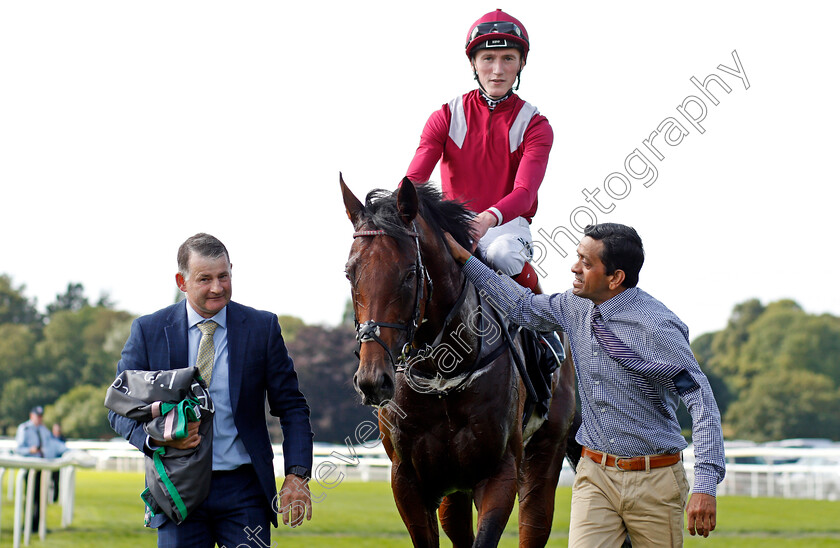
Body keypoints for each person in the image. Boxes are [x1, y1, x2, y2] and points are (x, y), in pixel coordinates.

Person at [444, 223, 725, 546]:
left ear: (615, 278)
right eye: (578, 257)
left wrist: (705, 483)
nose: (575, 267)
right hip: (594, 477)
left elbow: (701, 401)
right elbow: (522, 307)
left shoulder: (657, 327)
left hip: (656, 483)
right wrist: (466, 260)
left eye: (587, 263)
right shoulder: (573, 305)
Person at [108, 233, 314, 548]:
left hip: (245, 492)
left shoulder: (262, 328)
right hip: (178, 489)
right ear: (182, 281)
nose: (217, 287)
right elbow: (118, 407)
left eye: (223, 276)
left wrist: (297, 473)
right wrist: (154, 439)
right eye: (205, 279)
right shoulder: (148, 331)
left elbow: (292, 408)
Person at [15, 406, 52, 530]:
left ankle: (38, 525)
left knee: (41, 497)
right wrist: (30, 450)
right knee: (30, 497)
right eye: (38, 416)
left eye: (41, 416)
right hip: (30, 467)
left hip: (43, 466)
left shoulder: (44, 430)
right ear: (32, 416)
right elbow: (19, 449)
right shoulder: (24, 428)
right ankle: (27, 524)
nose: (40, 418)